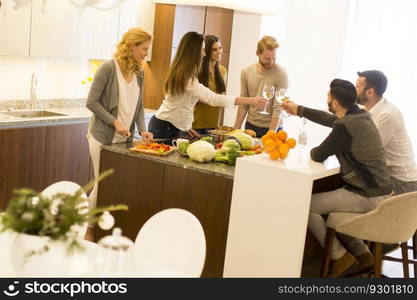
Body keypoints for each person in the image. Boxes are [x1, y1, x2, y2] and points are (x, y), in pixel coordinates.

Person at [282, 79, 393, 277]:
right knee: (330, 204)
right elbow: (330, 120)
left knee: (307, 205)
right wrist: (299, 109)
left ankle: (340, 256)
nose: (326, 98)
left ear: (334, 103)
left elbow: (317, 154)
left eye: (328, 96)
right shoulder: (360, 115)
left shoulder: (345, 127)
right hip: (382, 192)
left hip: (368, 195)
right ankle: (362, 254)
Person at [86, 27, 153, 238]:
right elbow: (91, 102)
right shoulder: (108, 68)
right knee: (102, 184)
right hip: (101, 137)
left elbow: (139, 106)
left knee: (116, 186)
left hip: (123, 139)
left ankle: (105, 231)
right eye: (144, 49)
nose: (146, 54)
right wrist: (114, 121)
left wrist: (142, 129)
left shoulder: (140, 72)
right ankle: (89, 230)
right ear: (132, 46)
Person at [148, 32, 268, 139]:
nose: (204, 53)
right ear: (193, 52)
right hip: (165, 127)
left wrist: (186, 126)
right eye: (202, 49)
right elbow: (212, 98)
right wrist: (250, 100)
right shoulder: (186, 77)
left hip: (170, 125)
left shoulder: (184, 72)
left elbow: (180, 105)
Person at [356, 70, 417, 194]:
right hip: (391, 179)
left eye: (357, 87)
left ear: (370, 92)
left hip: (403, 184)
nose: (353, 90)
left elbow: (368, 151)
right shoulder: (370, 108)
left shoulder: (386, 115)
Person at [234, 35, 288, 138]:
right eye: (267, 59)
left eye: (274, 58)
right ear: (257, 53)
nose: (271, 62)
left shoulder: (281, 73)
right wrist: (235, 130)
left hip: (274, 127)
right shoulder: (246, 72)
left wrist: (270, 135)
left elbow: (278, 108)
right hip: (251, 126)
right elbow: (243, 104)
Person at [192, 35, 228, 135]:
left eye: (220, 48)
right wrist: (212, 98)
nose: (219, 51)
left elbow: (220, 97)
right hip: (196, 125)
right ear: (207, 51)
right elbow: (193, 98)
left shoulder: (223, 71)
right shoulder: (197, 71)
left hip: (214, 126)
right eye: (214, 49)